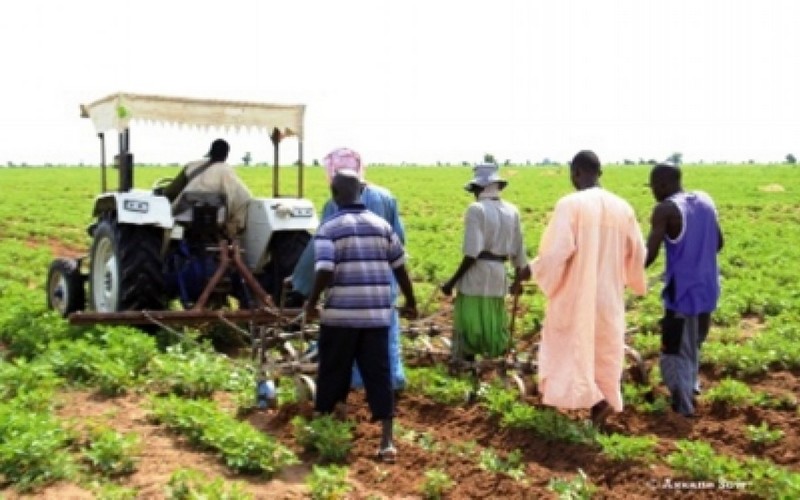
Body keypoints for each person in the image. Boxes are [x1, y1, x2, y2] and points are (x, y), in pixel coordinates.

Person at [520, 150, 647, 426]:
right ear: (599, 172)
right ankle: (602, 406)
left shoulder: (570, 204)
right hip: (609, 296)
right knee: (604, 351)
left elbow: (557, 251)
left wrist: (529, 271)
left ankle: (595, 402)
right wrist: (633, 282)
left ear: (575, 173)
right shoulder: (623, 208)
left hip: (576, 294)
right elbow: (638, 252)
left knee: (569, 348)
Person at [303, 169, 417, 463]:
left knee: (332, 372)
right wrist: (411, 302)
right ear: (360, 192)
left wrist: (312, 302)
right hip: (377, 317)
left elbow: (325, 269)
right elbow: (400, 267)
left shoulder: (330, 227)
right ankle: (387, 442)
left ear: (334, 194)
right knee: (379, 375)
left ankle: (324, 432)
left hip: (341, 316)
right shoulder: (382, 226)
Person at [289, 148, 407, 391]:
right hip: (382, 281)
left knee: (348, 334)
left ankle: (355, 385)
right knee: (385, 332)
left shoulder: (334, 204)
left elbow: (319, 249)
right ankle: (390, 380)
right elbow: (399, 241)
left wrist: (300, 284)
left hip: (347, 283)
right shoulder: (387, 197)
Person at [645, 162, 723, 417]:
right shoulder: (705, 200)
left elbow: (650, 254)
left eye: (654, 187)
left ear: (663, 184)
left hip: (682, 295)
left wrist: (621, 271)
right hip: (708, 289)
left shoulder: (665, 210)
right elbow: (718, 243)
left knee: (674, 351)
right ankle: (693, 387)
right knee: (694, 345)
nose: (653, 192)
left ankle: (682, 410)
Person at [441, 163, 528, 361]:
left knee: (470, 320)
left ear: (480, 188)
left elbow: (472, 252)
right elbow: (519, 250)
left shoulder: (476, 209)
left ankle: (467, 359)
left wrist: (452, 282)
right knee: (493, 318)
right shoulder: (512, 211)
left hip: (477, 274)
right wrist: (517, 280)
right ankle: (493, 359)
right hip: (499, 272)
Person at [162, 138, 252, 239]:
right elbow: (244, 198)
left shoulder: (191, 166)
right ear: (226, 155)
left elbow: (171, 192)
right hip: (217, 221)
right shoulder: (228, 172)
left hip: (185, 220)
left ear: (210, 152)